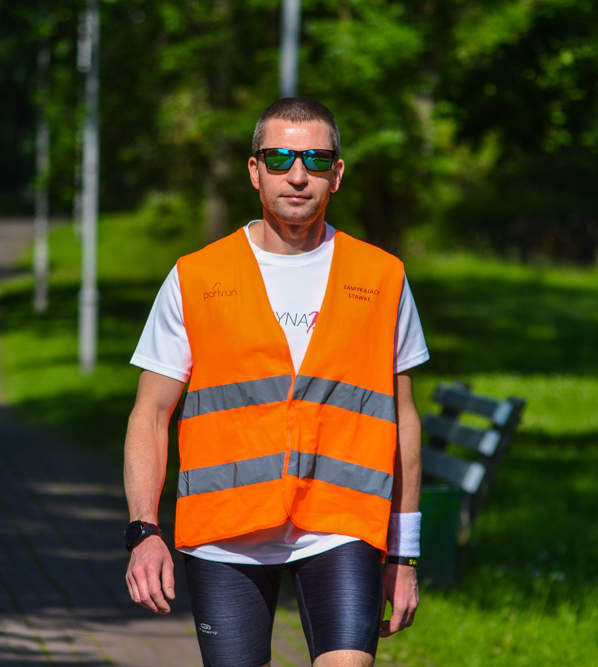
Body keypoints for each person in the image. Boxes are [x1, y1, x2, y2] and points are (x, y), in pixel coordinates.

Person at [123, 98, 429, 667]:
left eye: (314, 158)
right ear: (254, 169)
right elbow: (150, 413)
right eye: (280, 157)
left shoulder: (382, 277)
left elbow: (404, 419)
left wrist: (403, 555)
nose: (297, 174)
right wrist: (144, 529)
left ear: (336, 173)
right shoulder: (197, 277)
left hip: (342, 524)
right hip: (224, 530)